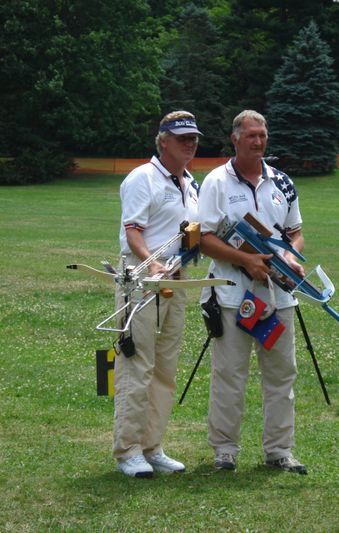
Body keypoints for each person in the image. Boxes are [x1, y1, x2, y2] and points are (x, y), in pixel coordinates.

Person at [198, 109, 307, 474]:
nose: (258, 141)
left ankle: (279, 451)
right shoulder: (216, 181)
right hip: (232, 295)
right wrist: (245, 261)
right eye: (251, 136)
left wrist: (290, 258)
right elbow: (204, 239)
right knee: (230, 374)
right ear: (235, 139)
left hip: (278, 294)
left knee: (281, 375)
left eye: (262, 135)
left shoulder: (282, 182)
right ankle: (225, 451)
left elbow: (295, 232)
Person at [113, 111, 201, 477]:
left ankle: (152, 446)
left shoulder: (191, 183)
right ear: (163, 140)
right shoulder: (143, 177)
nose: (190, 143)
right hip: (141, 278)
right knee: (137, 363)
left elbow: (193, 233)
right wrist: (152, 264)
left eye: (194, 138)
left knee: (165, 367)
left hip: (176, 279)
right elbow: (133, 231)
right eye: (182, 138)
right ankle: (128, 450)